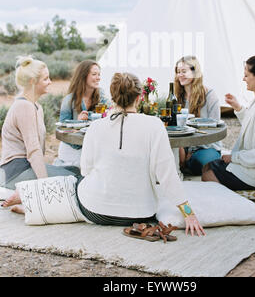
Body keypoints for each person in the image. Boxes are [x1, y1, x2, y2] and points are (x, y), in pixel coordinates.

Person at [3, 72, 206, 237]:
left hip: (95, 211)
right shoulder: (154, 125)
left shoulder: (96, 126)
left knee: (72, 183)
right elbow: (167, 175)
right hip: (141, 214)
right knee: (76, 182)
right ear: (139, 97)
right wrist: (189, 214)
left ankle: (32, 200)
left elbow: (86, 169)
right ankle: (31, 201)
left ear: (112, 97)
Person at [202, 51, 255, 190]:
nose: (243, 79)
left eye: (246, 75)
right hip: (253, 163)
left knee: (208, 175)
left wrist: (234, 158)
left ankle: (230, 204)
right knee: (207, 166)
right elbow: (253, 124)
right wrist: (238, 107)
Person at [0, 56, 78, 191]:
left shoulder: (36, 106)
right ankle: (26, 202)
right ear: (32, 81)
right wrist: (45, 185)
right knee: (75, 180)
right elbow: (34, 150)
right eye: (46, 78)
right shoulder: (24, 107)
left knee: (75, 170)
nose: (50, 82)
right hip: (16, 171)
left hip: (26, 167)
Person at [54, 60, 106, 169]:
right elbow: (61, 127)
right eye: (94, 74)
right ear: (83, 76)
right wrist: (78, 121)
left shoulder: (101, 95)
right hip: (72, 150)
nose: (98, 78)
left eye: (99, 74)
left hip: (92, 148)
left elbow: (109, 112)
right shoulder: (69, 100)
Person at [175, 56, 222, 176]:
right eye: (178, 72)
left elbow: (214, 128)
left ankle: (188, 164)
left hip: (206, 146)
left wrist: (191, 150)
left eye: (184, 71)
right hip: (183, 146)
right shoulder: (176, 97)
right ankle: (184, 164)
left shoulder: (210, 95)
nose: (180, 75)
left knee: (203, 161)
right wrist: (181, 149)